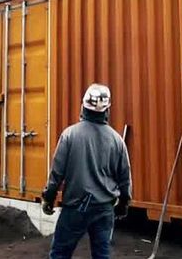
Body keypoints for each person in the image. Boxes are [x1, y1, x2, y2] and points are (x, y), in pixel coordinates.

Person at [42, 83, 132, 259]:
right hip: (104, 209)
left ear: (83, 106)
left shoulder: (69, 135)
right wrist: (123, 204)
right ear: (107, 110)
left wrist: (49, 198)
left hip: (75, 208)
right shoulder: (117, 140)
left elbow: (56, 174)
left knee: (60, 254)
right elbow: (125, 178)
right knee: (102, 255)